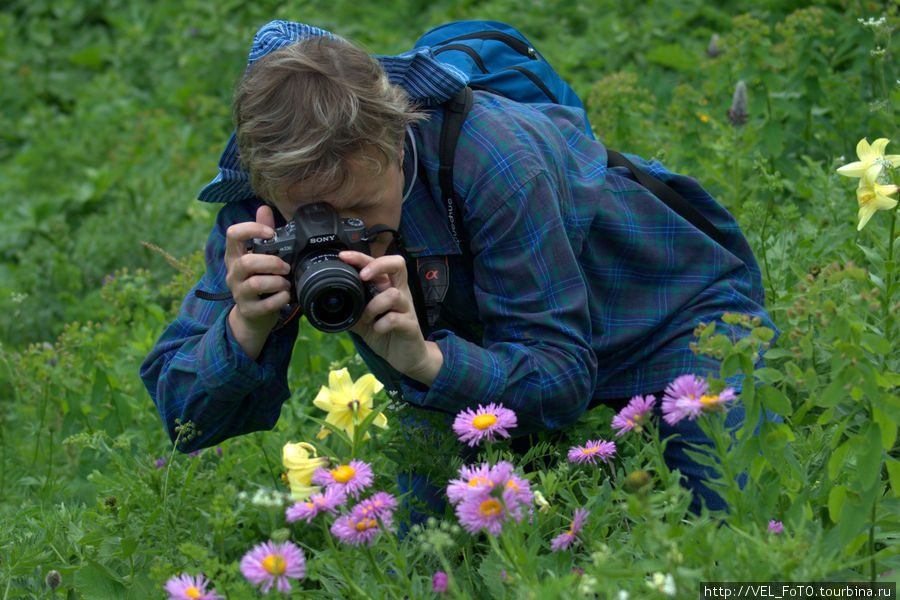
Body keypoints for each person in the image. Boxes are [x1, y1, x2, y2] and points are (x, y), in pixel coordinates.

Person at [140, 20, 776, 512]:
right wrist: (243, 334)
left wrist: (425, 363)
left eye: (361, 209)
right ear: (270, 186)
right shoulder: (260, 216)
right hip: (480, 371)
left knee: (729, 519)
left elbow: (561, 375)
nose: (341, 235)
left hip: (666, 322)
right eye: (315, 220)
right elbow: (184, 420)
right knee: (438, 563)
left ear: (397, 135)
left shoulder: (493, 159)